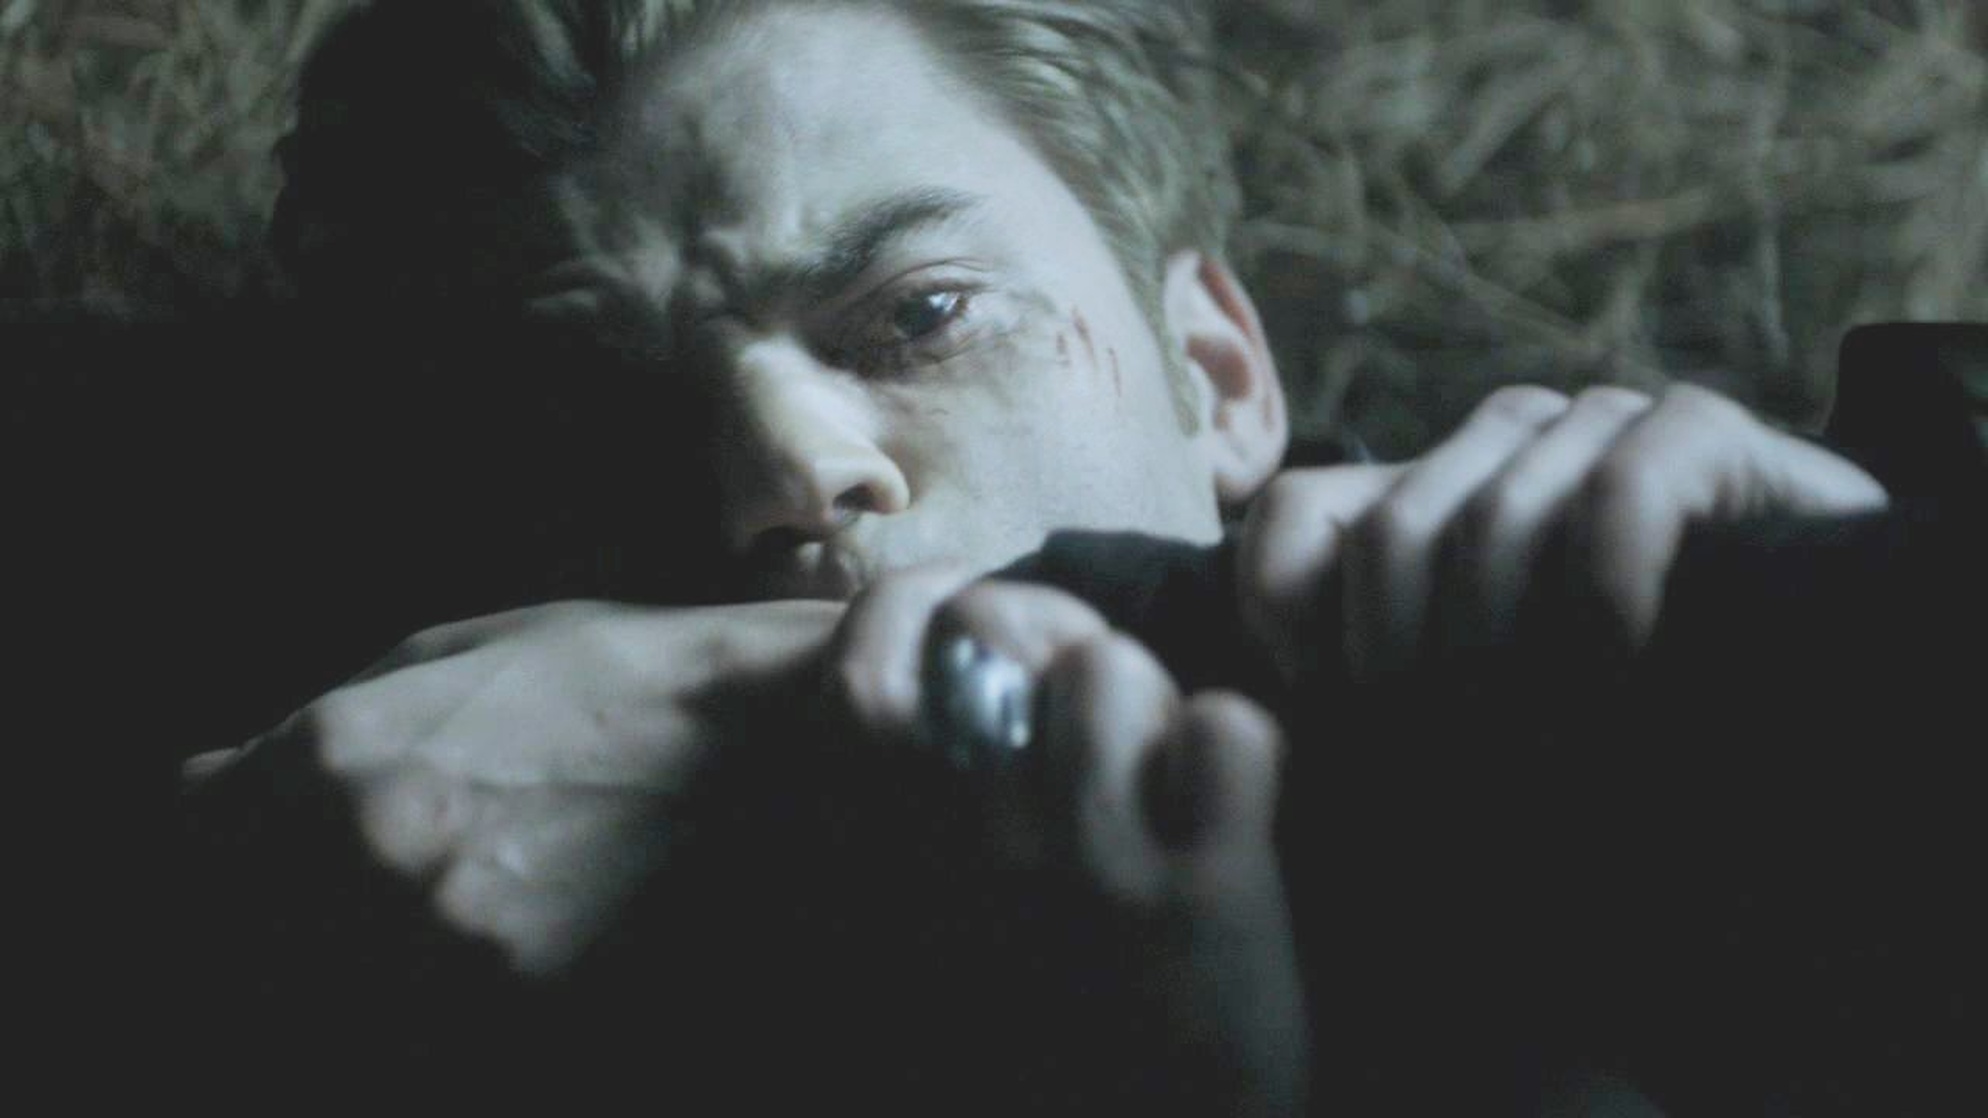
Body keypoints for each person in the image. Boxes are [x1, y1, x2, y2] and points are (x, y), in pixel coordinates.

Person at [174, 1, 1976, 1112]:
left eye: (922, 315)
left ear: (1220, 377)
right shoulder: (428, 989)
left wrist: (1879, 591)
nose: (790, 474)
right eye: (605, 429)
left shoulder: (1663, 597)